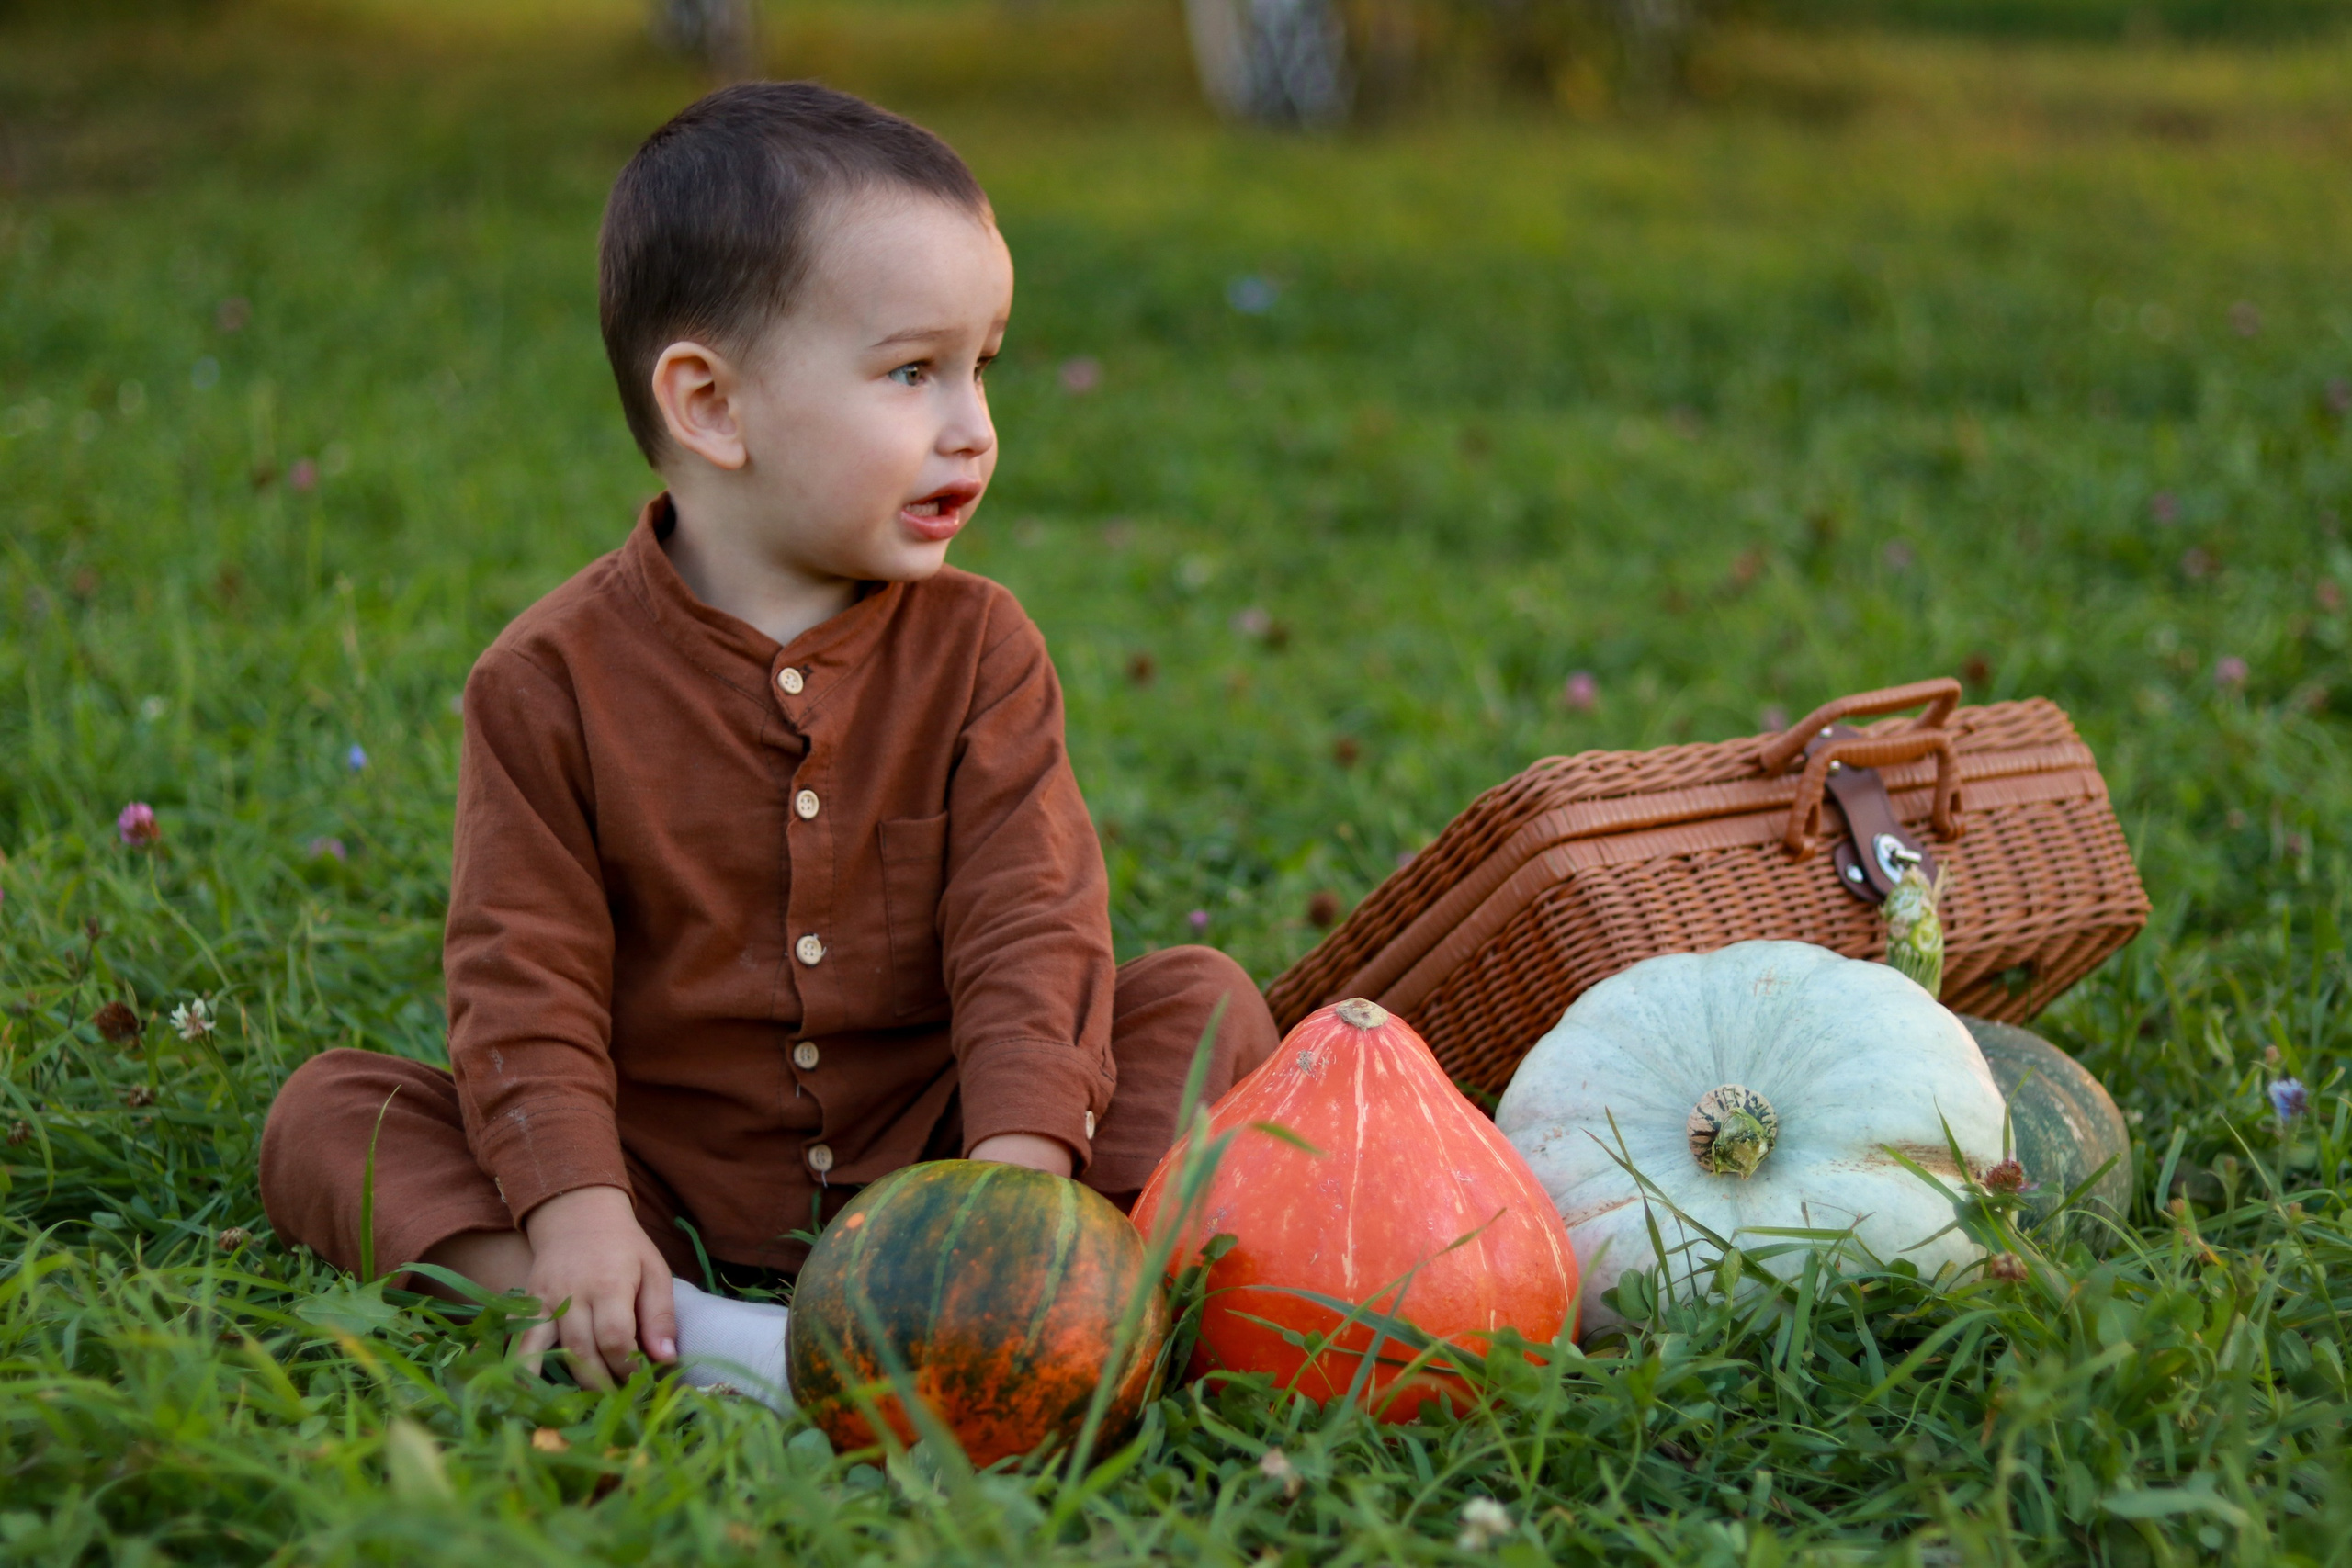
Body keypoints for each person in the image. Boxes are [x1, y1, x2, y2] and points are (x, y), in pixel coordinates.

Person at [259, 81, 1281, 1407]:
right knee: (333, 1118)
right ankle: (668, 1317)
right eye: (914, 371)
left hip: (944, 1144)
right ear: (712, 407)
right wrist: (576, 1205)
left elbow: (1030, 921)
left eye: (985, 366)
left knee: (1203, 1005)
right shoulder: (546, 682)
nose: (971, 423)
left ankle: (1011, 1308)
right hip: (661, 1170)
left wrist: (1011, 1198)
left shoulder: (982, 650)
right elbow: (525, 972)